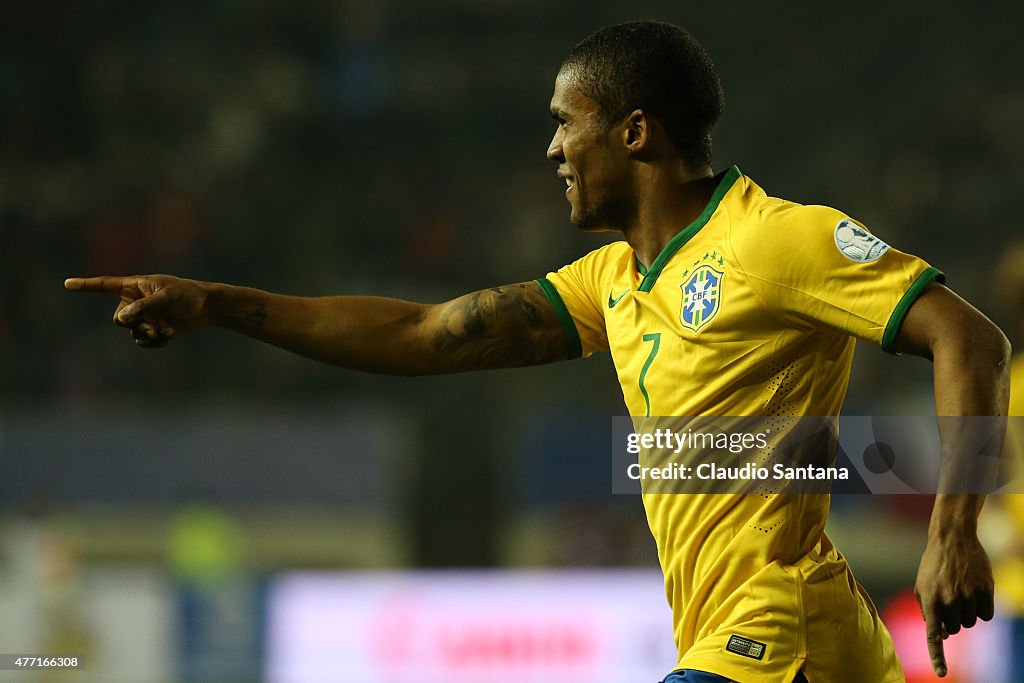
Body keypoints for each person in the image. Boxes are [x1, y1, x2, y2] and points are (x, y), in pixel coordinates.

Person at [65, 21, 1010, 683]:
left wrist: (954, 530)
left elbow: (969, 336)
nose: (552, 148)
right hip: (758, 640)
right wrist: (220, 303)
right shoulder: (610, 280)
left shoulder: (777, 240)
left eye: (567, 121)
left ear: (633, 129)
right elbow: (424, 332)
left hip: (777, 630)